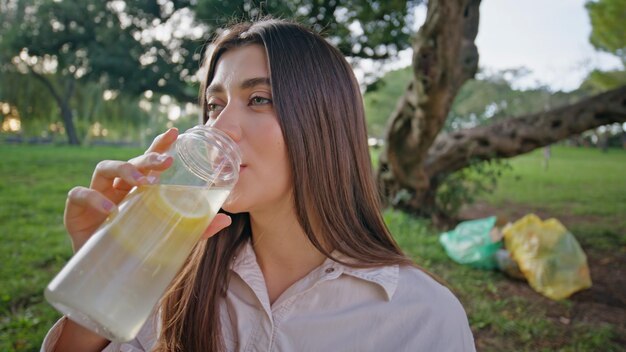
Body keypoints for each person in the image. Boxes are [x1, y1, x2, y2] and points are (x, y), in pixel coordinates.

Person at [42, 18, 475, 352]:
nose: (220, 126)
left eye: (259, 99)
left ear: (324, 123)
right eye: (214, 105)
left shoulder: (422, 317)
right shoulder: (173, 279)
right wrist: (109, 271)